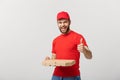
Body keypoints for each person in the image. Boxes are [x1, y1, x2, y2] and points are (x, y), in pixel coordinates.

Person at [45, 11, 92, 80]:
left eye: (65, 22)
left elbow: (89, 56)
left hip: (72, 76)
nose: (62, 25)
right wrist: (49, 61)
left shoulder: (78, 37)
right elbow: (54, 60)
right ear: (57, 24)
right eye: (60, 23)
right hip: (56, 76)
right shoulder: (55, 40)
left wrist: (84, 50)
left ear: (69, 22)